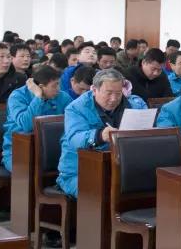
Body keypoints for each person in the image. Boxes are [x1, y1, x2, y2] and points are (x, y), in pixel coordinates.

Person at [56, 69, 147, 197]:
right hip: (79, 171)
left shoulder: (135, 105)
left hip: (121, 169)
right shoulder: (76, 108)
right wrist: (99, 135)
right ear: (94, 90)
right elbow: (75, 138)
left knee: (152, 187)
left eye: (118, 93)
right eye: (108, 93)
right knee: (103, 193)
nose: (114, 99)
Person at [1, 65, 72, 172]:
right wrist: (38, 97)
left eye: (59, 84)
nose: (58, 89)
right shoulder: (17, 96)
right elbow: (27, 125)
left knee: (75, 167)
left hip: (54, 149)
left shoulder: (63, 97)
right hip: (19, 150)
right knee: (27, 171)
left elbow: (74, 119)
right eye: (55, 85)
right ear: (41, 87)